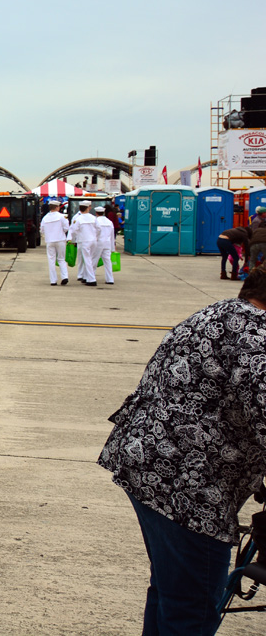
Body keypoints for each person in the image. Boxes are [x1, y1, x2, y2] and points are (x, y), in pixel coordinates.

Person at [98, 270, 266, 635]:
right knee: (190, 606)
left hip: (149, 462)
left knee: (172, 592)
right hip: (190, 486)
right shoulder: (258, 339)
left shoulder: (220, 313)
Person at [40, 199, 71, 286]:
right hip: (60, 239)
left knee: (51, 260)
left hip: (50, 240)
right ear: (57, 207)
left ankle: (53, 280)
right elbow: (66, 228)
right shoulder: (61, 216)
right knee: (61, 259)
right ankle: (65, 276)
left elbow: (42, 230)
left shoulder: (45, 218)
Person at [70, 201, 99, 286]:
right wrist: (95, 236)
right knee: (91, 259)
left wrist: (75, 238)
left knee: (87, 260)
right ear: (87, 208)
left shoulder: (78, 219)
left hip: (84, 241)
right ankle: (87, 277)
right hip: (93, 240)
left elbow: (74, 230)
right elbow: (99, 229)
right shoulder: (93, 218)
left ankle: (92, 279)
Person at [94, 206, 115, 286]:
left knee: (94, 260)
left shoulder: (95, 221)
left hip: (98, 242)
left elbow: (95, 233)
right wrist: (112, 247)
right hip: (107, 243)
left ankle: (91, 277)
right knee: (107, 261)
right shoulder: (109, 222)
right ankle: (110, 279)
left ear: (96, 213)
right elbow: (112, 235)